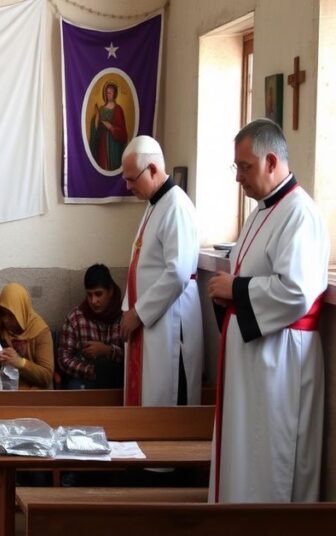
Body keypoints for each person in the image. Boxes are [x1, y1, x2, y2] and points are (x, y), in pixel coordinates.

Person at [207, 119, 329, 503]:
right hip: (254, 361)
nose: (238, 177)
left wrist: (236, 289)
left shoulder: (300, 214)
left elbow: (297, 291)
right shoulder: (262, 211)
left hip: (280, 364)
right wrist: (228, 295)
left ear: (272, 161)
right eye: (237, 167)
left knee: (269, 460)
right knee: (245, 458)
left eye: (244, 167)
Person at [120, 136, 203, 407]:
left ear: (153, 169)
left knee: (163, 398)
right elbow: (140, 263)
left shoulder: (176, 206)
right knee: (146, 396)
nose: (129, 186)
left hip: (168, 323)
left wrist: (139, 313)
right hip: (149, 323)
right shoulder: (156, 204)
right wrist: (128, 308)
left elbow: (177, 272)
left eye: (133, 179)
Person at [57, 264, 125, 389]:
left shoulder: (124, 317)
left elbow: (131, 358)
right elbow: (63, 359)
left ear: (110, 291)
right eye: (89, 295)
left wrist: (107, 350)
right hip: (84, 380)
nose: (93, 301)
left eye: (98, 294)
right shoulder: (76, 319)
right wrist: (92, 371)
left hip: (116, 380)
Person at [0, 283, 53, 390]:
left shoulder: (40, 331)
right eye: (3, 314)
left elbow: (46, 377)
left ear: (21, 312)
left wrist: (20, 362)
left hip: (31, 390)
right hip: (2, 388)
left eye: (11, 315)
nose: (6, 320)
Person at [89, 81, 127, 171]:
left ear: (115, 94)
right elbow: (96, 129)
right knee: (103, 165)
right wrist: (96, 119)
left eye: (110, 92)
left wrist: (111, 127)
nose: (108, 94)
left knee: (113, 167)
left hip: (114, 146)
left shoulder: (118, 109)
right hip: (102, 143)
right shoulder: (102, 109)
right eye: (107, 92)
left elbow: (123, 133)